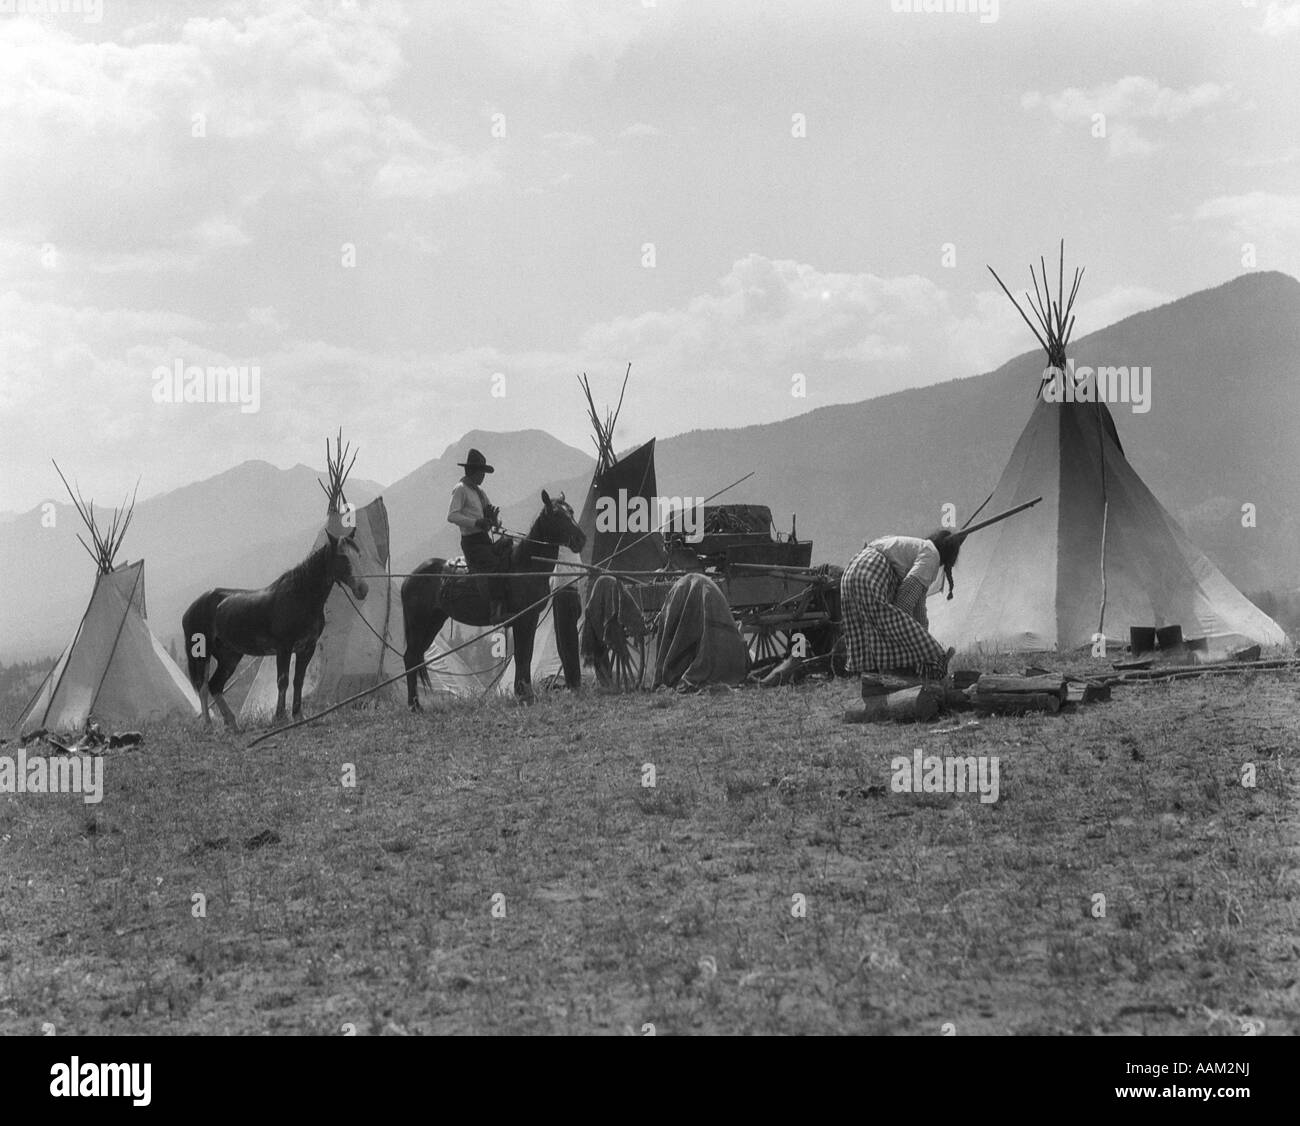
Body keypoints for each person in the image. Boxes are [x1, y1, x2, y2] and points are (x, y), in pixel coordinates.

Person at [839, 529, 963, 680]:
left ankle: (873, 681)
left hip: (851, 571)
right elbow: (904, 601)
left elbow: (918, 605)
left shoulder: (914, 548)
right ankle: (929, 664)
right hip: (870, 573)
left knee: (868, 627)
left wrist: (921, 630)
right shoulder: (931, 555)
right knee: (893, 620)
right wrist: (921, 647)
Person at [447, 448, 507, 624]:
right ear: (473, 471)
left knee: (507, 554)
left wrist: (494, 520)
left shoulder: (480, 492)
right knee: (493, 563)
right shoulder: (461, 489)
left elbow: (494, 516)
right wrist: (476, 523)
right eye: (482, 472)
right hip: (472, 542)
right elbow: (452, 516)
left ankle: (504, 601)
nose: (483, 476)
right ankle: (495, 609)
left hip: (484, 540)